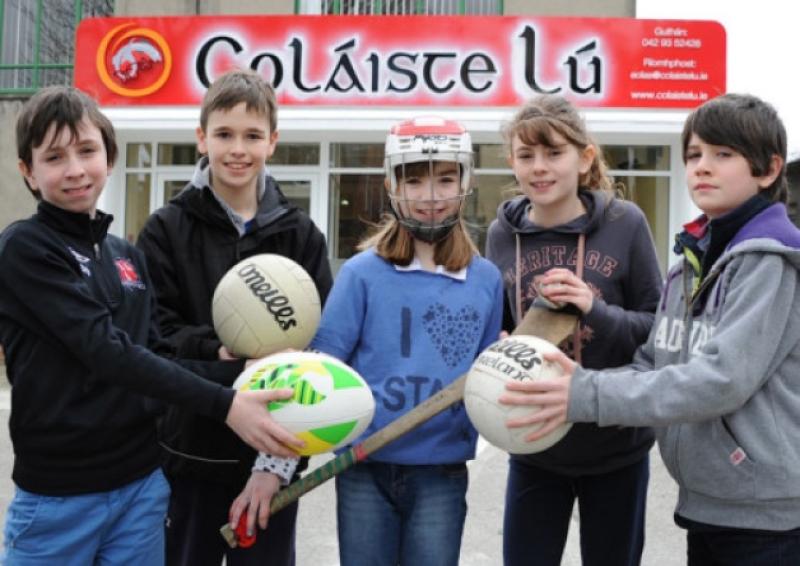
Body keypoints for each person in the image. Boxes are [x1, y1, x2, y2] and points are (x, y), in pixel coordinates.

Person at [0, 86, 302, 565]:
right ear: (28, 172)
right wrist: (228, 404)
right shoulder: (25, 248)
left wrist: (243, 370)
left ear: (110, 156)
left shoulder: (126, 256)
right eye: (54, 157)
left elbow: (158, 357)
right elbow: (107, 352)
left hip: (140, 487)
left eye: (86, 150)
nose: (75, 169)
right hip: (60, 498)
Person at [507, 93, 800, 565]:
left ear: (767, 171)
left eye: (723, 155)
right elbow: (651, 360)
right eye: (694, 155)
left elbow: (721, 380)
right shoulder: (691, 260)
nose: (702, 167)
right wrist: (562, 381)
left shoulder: (770, 260)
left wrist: (585, 393)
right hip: (711, 505)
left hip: (765, 520)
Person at [136, 68, 332, 566]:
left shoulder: (301, 235)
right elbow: (153, 337)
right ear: (201, 138)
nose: (237, 149)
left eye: (252, 135)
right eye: (223, 134)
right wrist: (218, 351)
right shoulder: (166, 229)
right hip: (189, 455)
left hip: (270, 458)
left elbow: (318, 353)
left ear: (274, 142)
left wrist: (280, 464)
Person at [309, 116, 503, 566]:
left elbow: (484, 381)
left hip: (441, 470)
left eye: (445, 178)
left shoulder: (486, 280)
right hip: (364, 465)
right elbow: (324, 366)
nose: (431, 195)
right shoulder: (360, 274)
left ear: (465, 181)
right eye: (414, 180)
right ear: (392, 184)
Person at [484, 94, 664, 566]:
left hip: (615, 445)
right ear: (512, 163)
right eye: (526, 155)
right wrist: (501, 346)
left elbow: (656, 332)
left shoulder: (626, 224)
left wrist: (593, 308)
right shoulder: (502, 235)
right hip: (534, 445)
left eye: (554, 153)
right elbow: (500, 328)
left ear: (584, 159)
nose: (539, 168)